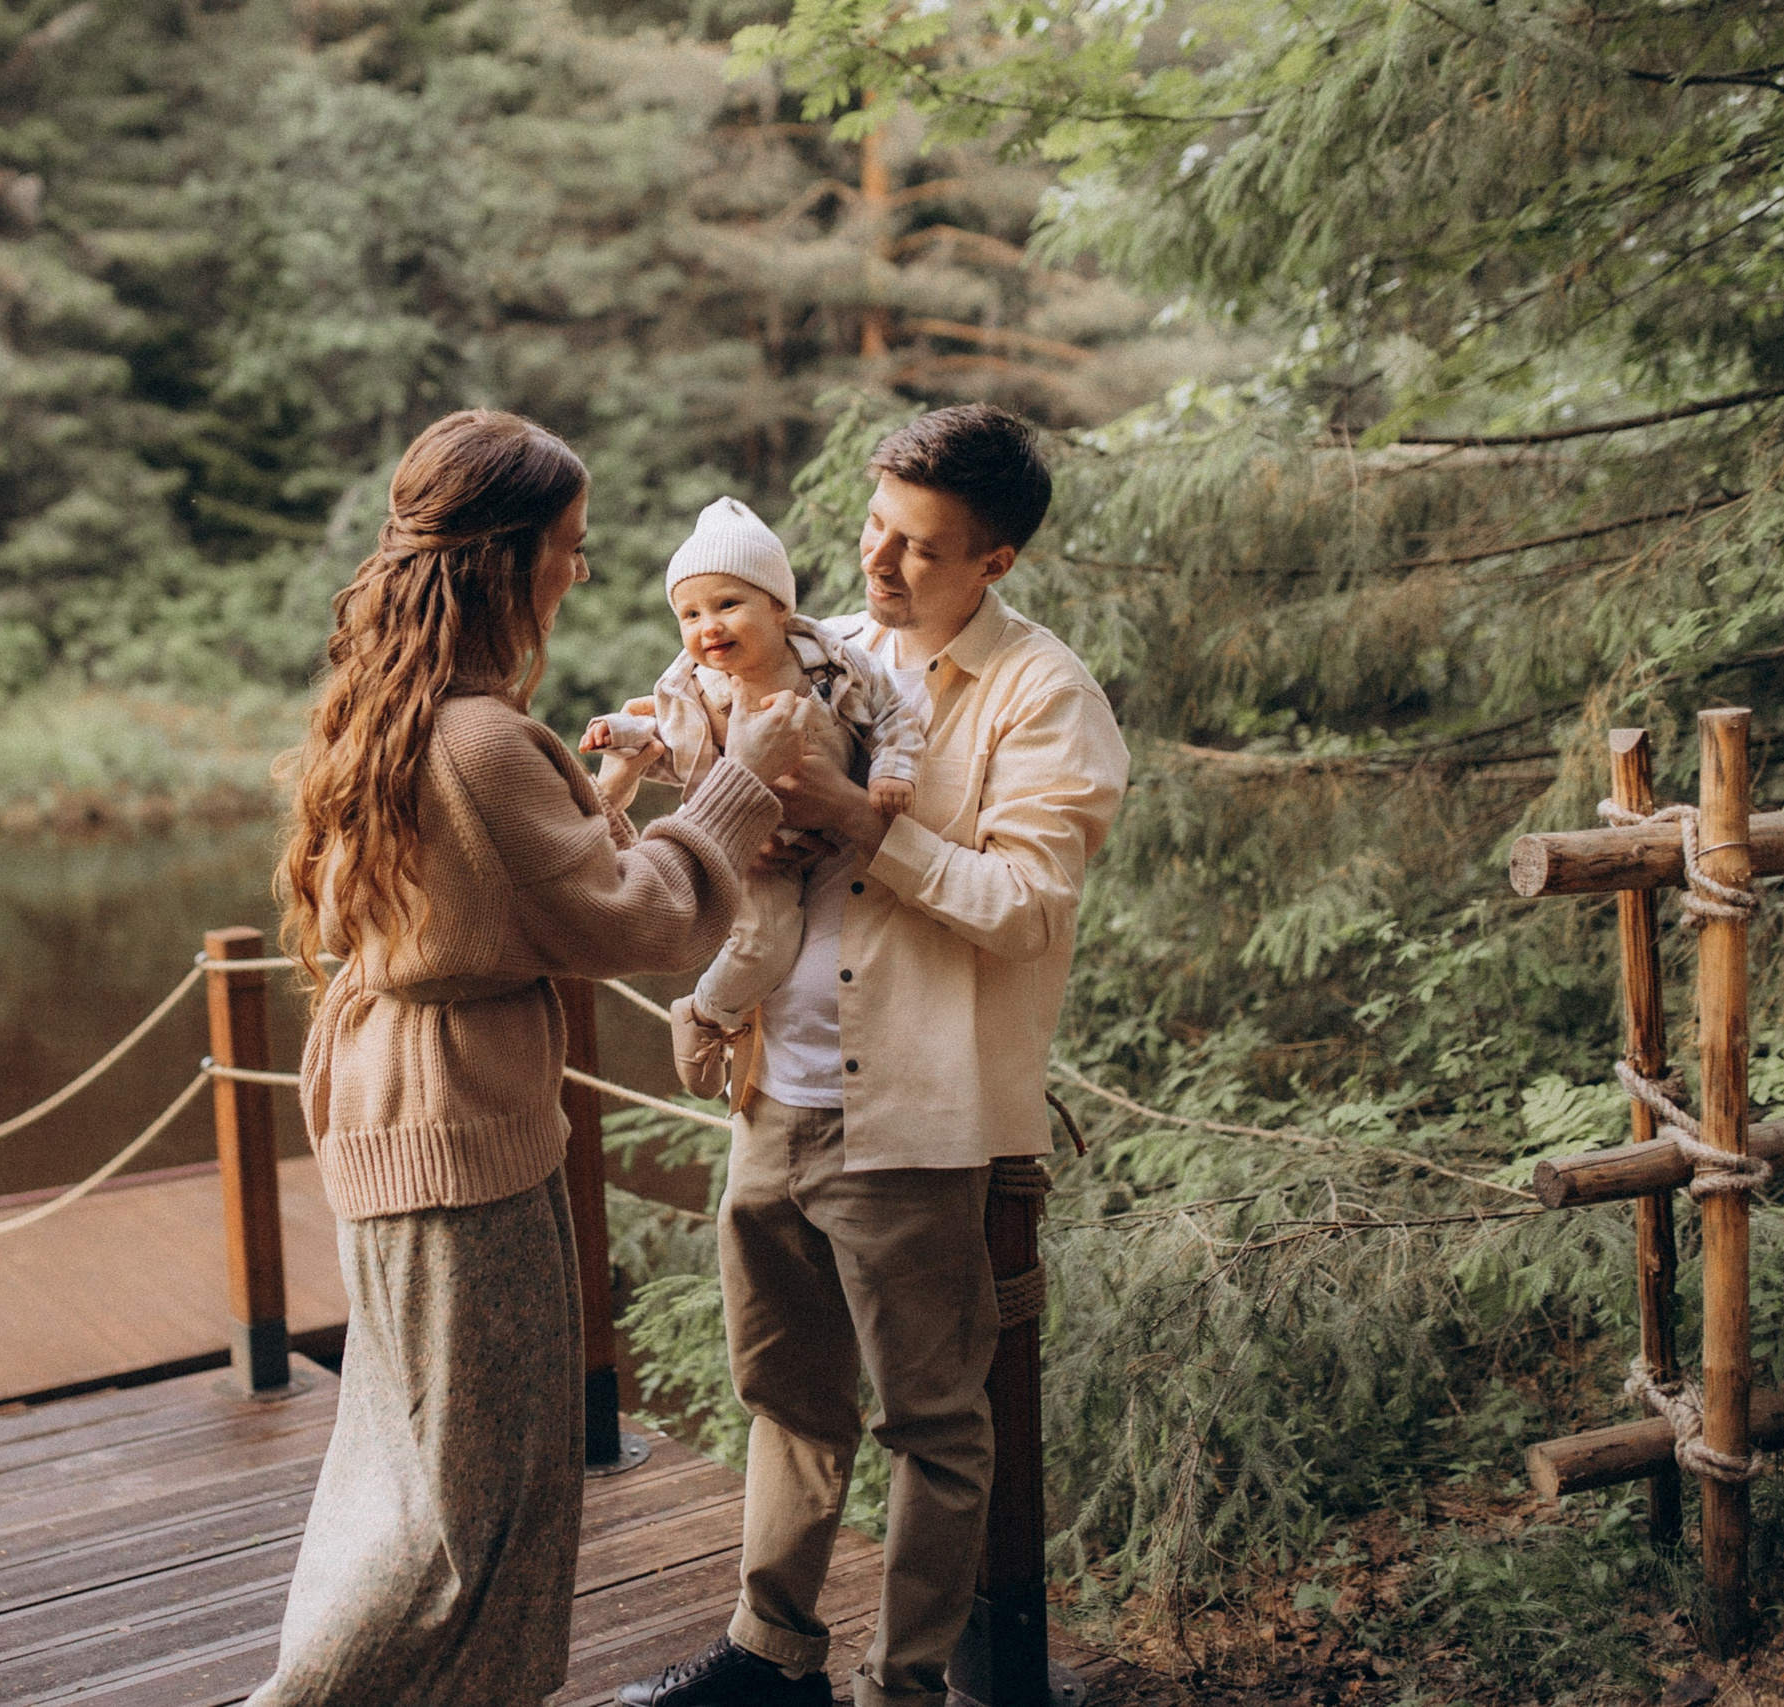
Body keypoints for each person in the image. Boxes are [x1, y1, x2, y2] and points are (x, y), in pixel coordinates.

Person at [255, 409, 807, 1707]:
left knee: (405, 1480)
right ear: (506, 558)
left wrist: (601, 802)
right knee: (467, 1520)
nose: (579, 571)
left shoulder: (387, 709)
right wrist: (738, 784)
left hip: (396, 1123)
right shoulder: (484, 742)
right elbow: (635, 921)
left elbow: (482, 896)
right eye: (570, 546)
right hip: (461, 1148)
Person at [617, 404, 1130, 1707]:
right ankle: (771, 1661)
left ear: (996, 560)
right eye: (872, 529)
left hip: (915, 1117)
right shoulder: (818, 656)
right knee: (784, 1395)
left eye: (920, 548)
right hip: (769, 1094)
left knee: (934, 1429)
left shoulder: (1043, 694)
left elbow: (1027, 905)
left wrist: (864, 825)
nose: (879, 568)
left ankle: (908, 1687)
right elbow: (701, 732)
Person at [577, 496, 924, 1099]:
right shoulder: (694, 689)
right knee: (764, 941)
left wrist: (893, 772)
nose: (707, 626)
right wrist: (623, 733)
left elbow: (893, 715)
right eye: (688, 615)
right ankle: (707, 1015)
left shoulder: (831, 665)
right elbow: (668, 740)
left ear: (778, 606)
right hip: (748, 840)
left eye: (728, 605)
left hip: (830, 838)